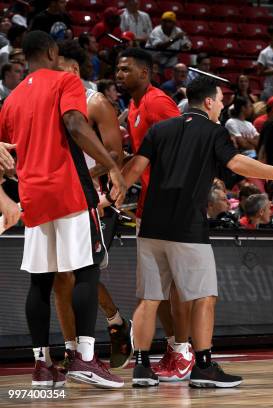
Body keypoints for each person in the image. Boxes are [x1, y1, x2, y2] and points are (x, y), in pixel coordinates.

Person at [120, 76, 273, 387]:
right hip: (187, 226)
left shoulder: (159, 129)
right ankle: (204, 367)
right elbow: (237, 164)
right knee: (204, 297)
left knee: (149, 298)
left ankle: (141, 369)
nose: (222, 105)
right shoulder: (213, 131)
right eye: (220, 99)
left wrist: (111, 194)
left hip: (151, 223)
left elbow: (134, 169)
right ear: (208, 102)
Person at [0, 30, 127, 388]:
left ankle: (42, 365)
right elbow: (74, 123)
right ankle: (84, 359)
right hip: (69, 190)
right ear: (53, 51)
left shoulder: (11, 100)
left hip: (33, 196)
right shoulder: (64, 82)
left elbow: (3, 152)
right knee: (86, 271)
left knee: (40, 280)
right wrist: (113, 166)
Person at [53, 39, 132, 371]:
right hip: (59, 196)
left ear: (72, 69)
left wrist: (80, 177)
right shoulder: (49, 102)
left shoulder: (95, 102)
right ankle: (76, 350)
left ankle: (112, 325)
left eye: (53, 69)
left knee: (76, 272)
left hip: (94, 197)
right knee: (61, 276)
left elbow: (115, 155)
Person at [116, 47, 192, 382]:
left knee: (175, 286)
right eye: (117, 69)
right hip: (150, 204)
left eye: (125, 69)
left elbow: (186, 149)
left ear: (144, 72)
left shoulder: (158, 102)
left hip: (172, 205)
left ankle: (186, 351)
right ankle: (175, 347)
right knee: (156, 288)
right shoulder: (132, 104)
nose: (119, 74)